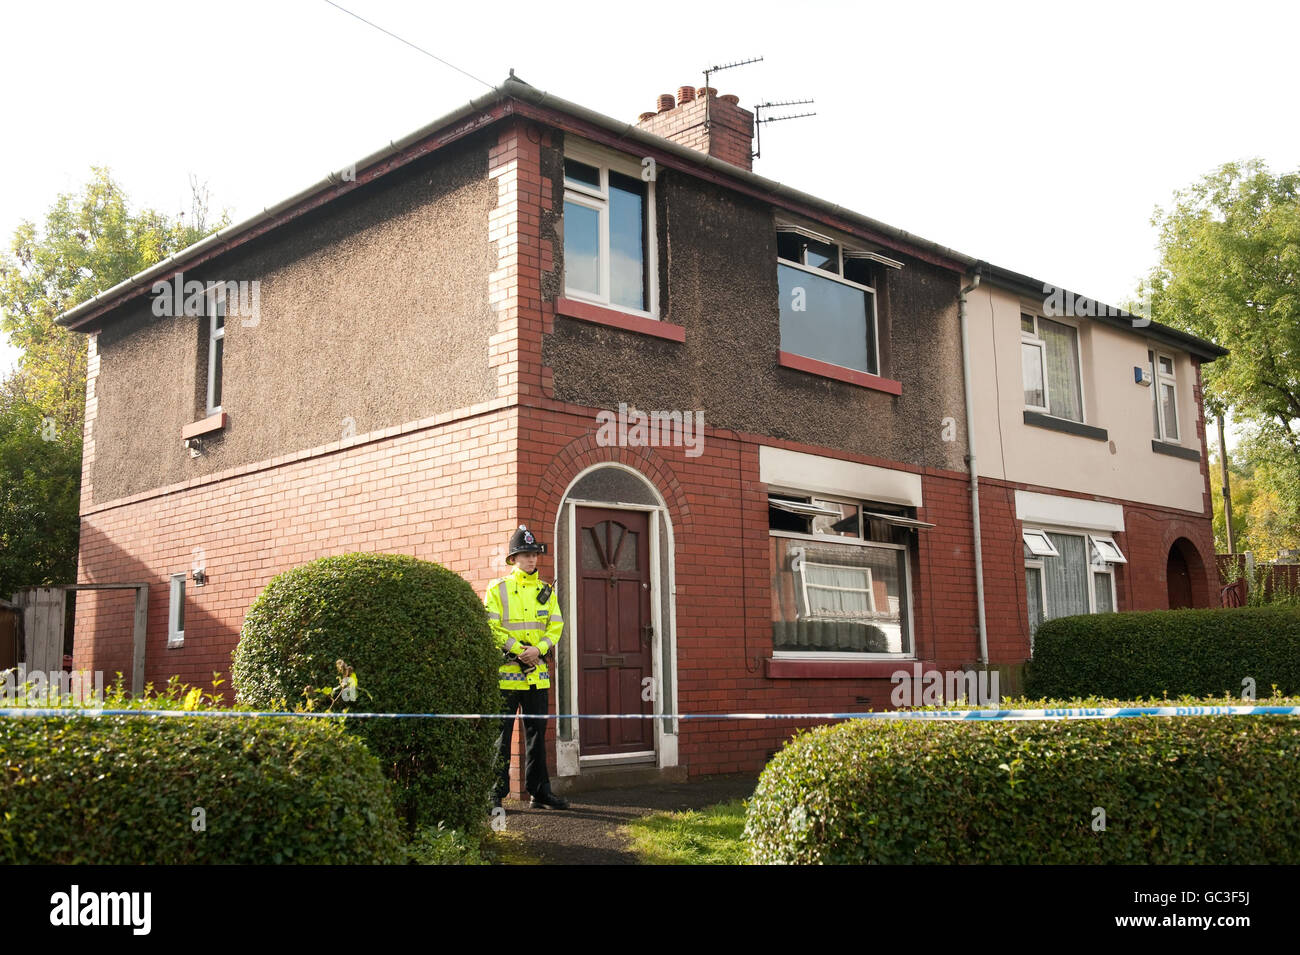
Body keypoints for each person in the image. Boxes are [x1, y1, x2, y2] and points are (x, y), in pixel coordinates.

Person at [484, 524, 570, 811]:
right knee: (501, 738)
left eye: (534, 554)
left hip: (537, 678)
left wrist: (539, 649)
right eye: (525, 554)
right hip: (507, 678)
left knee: (537, 737)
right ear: (513, 559)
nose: (531, 559)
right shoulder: (498, 589)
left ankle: (540, 792)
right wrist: (519, 650)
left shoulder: (546, 591)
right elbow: (491, 626)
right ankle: (495, 794)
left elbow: (555, 627)